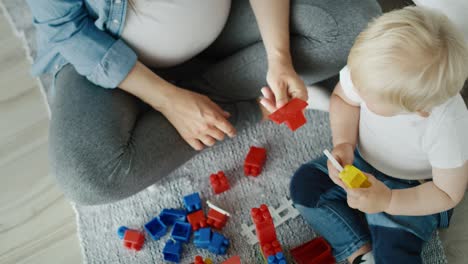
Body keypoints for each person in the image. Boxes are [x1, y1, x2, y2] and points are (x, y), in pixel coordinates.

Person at [26, 0, 381, 205]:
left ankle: (223, 94)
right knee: (87, 177)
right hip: (108, 55)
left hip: (222, 24)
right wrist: (167, 101)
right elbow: (67, 30)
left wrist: (279, 57)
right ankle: (246, 99)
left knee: (355, 23)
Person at [290, 6, 468, 264]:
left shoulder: (448, 125)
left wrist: (389, 200)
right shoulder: (367, 72)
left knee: (395, 253)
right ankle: (358, 252)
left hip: (412, 187)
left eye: (365, 94)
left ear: (418, 110)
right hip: (362, 160)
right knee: (305, 186)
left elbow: (447, 193)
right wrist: (344, 142)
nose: (355, 87)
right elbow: (342, 98)